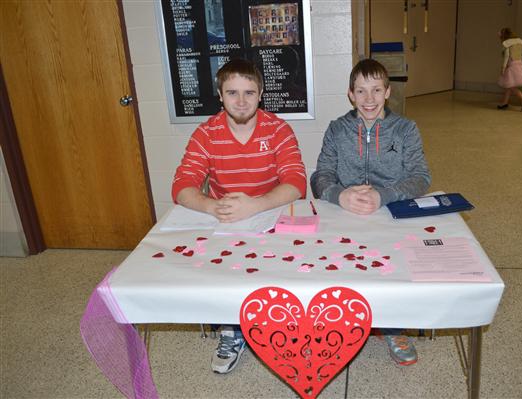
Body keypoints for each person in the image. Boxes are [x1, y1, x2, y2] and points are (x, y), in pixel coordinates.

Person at [172, 58, 307, 373]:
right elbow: (182, 185)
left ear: (261, 94)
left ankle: (279, 324)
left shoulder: (278, 129)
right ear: (220, 95)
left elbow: (297, 183)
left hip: (271, 214)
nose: (242, 101)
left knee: (280, 274)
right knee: (225, 275)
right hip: (226, 218)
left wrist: (255, 204)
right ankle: (233, 329)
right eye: (233, 92)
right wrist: (212, 207)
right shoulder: (207, 133)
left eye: (249, 92)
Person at [310, 58, 431, 365]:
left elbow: (420, 177)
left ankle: (392, 326)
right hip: (345, 213)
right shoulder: (337, 129)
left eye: (376, 90)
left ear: (388, 92)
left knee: (391, 269)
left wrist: (384, 194)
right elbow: (320, 174)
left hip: (390, 211)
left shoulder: (405, 129)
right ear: (350, 94)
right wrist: (339, 194)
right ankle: (338, 324)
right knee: (338, 267)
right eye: (361, 91)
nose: (369, 99)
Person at [497, 28, 522, 111]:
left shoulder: (507, 44)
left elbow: (506, 56)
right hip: (520, 66)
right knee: (509, 85)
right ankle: (504, 103)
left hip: (512, 67)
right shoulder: (520, 42)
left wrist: (503, 68)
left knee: (512, 86)